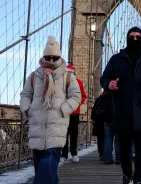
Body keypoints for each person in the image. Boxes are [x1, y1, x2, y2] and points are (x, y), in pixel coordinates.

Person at [100, 26, 141, 184]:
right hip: (123, 112)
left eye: (138, 36)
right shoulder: (116, 59)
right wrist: (109, 84)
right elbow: (104, 79)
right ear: (127, 38)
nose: (135, 39)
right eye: (131, 36)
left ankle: (139, 179)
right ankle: (127, 175)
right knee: (124, 149)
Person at [20, 36, 82, 184]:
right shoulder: (34, 76)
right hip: (37, 129)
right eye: (48, 57)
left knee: (46, 168)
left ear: (60, 56)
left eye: (55, 57)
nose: (52, 61)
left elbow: (76, 96)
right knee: (46, 171)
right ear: (43, 56)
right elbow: (25, 94)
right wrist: (27, 110)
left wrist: (63, 110)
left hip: (56, 130)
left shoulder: (68, 75)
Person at [61, 64, 88, 163]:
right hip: (64, 112)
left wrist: (75, 104)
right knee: (64, 134)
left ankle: (74, 153)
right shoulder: (61, 83)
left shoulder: (79, 82)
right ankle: (64, 155)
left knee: (73, 135)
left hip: (74, 113)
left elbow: (84, 96)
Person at [100, 90, 120, 164]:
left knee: (107, 139)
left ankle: (108, 158)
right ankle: (119, 159)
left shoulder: (106, 94)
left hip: (107, 118)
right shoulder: (120, 92)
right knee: (118, 139)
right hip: (118, 118)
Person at [91, 92, 106, 161]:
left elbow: (94, 109)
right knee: (107, 138)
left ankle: (101, 154)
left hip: (99, 121)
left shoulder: (99, 99)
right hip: (106, 120)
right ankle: (107, 154)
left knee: (100, 138)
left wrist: (93, 118)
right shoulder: (111, 98)